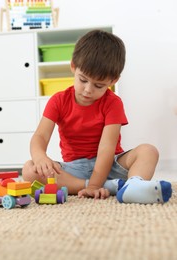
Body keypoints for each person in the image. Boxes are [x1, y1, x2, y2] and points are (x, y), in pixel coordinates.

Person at [22, 29, 172, 204]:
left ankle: (132, 185)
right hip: (75, 169)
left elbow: (106, 149)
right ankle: (112, 187)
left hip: (111, 164)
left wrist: (94, 184)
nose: (88, 90)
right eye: (83, 80)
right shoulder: (58, 100)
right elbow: (40, 136)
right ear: (73, 66)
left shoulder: (113, 103)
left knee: (148, 151)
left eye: (99, 85)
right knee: (29, 169)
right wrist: (41, 157)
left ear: (113, 80)